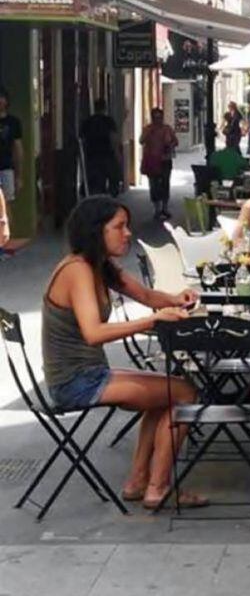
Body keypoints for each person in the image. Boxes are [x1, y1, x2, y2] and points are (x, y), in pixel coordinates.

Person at [42, 196, 206, 509]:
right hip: (76, 382)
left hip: (88, 375)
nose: (127, 233)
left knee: (167, 390)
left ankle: (138, 482)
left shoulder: (98, 265)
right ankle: (158, 488)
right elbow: (93, 333)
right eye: (119, 227)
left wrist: (175, 299)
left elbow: (144, 294)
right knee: (184, 392)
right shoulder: (77, 270)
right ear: (96, 231)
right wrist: (154, 319)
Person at [140, 108, 178, 221]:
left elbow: (175, 141)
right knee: (154, 185)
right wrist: (148, 133)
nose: (158, 120)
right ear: (152, 118)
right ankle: (157, 209)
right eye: (155, 118)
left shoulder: (167, 129)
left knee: (165, 183)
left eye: (159, 118)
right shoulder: (148, 129)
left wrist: (170, 145)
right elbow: (141, 140)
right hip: (152, 160)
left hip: (165, 160)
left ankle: (165, 208)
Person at [80, 99, 122, 197]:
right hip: (107, 155)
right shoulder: (108, 121)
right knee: (113, 179)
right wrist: (118, 155)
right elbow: (113, 139)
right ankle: (109, 199)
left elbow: (82, 140)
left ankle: (97, 199)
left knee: (95, 182)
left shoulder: (87, 122)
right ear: (105, 108)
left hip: (92, 156)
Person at [0, 87, 22, 203]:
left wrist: (18, 176)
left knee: (6, 206)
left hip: (7, 168)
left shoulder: (13, 122)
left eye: (2, 97)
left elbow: (18, 149)